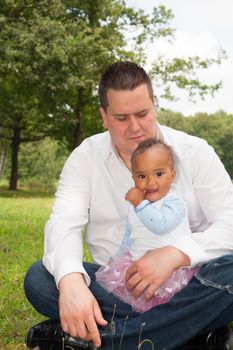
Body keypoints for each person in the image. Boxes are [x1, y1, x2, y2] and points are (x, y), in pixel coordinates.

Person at [24, 61, 233, 350]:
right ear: (104, 116)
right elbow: (63, 222)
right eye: (121, 118)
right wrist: (71, 281)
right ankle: (193, 334)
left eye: (142, 114)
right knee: (40, 280)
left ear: (154, 105)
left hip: (190, 283)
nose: (135, 128)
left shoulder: (195, 151)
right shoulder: (85, 157)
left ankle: (103, 341)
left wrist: (176, 254)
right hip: (118, 288)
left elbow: (230, 223)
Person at [96, 138, 199, 313]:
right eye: (142, 176)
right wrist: (116, 258)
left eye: (159, 174)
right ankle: (138, 321)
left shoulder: (175, 203)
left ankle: (163, 323)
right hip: (137, 265)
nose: (150, 182)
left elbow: (160, 225)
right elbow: (129, 237)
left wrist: (140, 204)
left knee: (168, 306)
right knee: (130, 299)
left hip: (171, 272)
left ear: (172, 175)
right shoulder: (136, 207)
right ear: (134, 178)